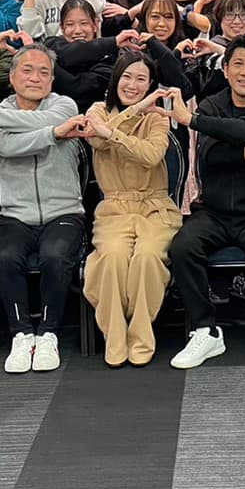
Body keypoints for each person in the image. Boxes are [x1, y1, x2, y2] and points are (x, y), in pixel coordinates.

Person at [160, 33, 245, 374]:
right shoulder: (211, 105)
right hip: (214, 210)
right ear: (226, 69)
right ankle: (206, 330)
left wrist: (193, 121)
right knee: (182, 248)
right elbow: (212, 158)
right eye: (238, 64)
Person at [0, 43, 85, 374]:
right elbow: (8, 146)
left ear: (52, 79)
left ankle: (48, 334)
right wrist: (53, 134)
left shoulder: (65, 105)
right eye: (27, 70)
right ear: (12, 78)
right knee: (4, 259)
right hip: (14, 213)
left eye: (44, 72)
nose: (35, 78)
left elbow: (50, 120)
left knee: (55, 257)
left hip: (64, 211)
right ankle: (21, 334)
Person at [80, 52, 181, 367]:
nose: (133, 85)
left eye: (141, 79)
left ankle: (141, 334)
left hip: (156, 206)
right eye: (127, 76)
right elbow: (97, 140)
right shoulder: (97, 110)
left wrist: (112, 131)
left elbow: (151, 155)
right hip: (114, 207)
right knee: (111, 258)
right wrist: (134, 111)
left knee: (147, 256)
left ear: (151, 84)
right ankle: (114, 335)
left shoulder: (158, 117)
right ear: (116, 79)